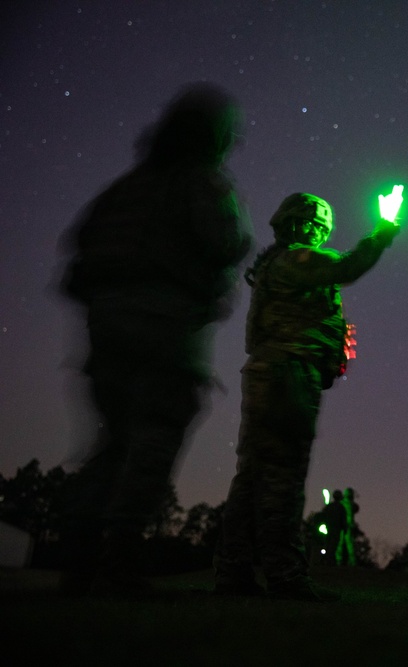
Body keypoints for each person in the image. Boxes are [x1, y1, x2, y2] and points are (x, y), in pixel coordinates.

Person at [59, 83, 252, 594]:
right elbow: (225, 241)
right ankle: (118, 559)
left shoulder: (124, 188)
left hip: (106, 329)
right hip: (165, 328)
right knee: (154, 439)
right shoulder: (200, 182)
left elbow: (78, 254)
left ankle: (78, 556)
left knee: (115, 439)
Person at [213, 192, 399, 601]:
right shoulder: (296, 260)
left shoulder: (275, 266)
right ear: (299, 225)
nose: (320, 232)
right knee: (283, 477)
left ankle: (234, 574)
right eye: (316, 225)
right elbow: (349, 266)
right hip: (288, 376)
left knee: (252, 479)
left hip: (272, 373)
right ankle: (286, 577)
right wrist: (384, 229)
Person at [335, 487, 359, 566]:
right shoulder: (350, 504)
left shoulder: (343, 503)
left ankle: (340, 560)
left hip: (343, 525)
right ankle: (351, 561)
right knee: (348, 544)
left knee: (342, 543)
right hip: (346, 525)